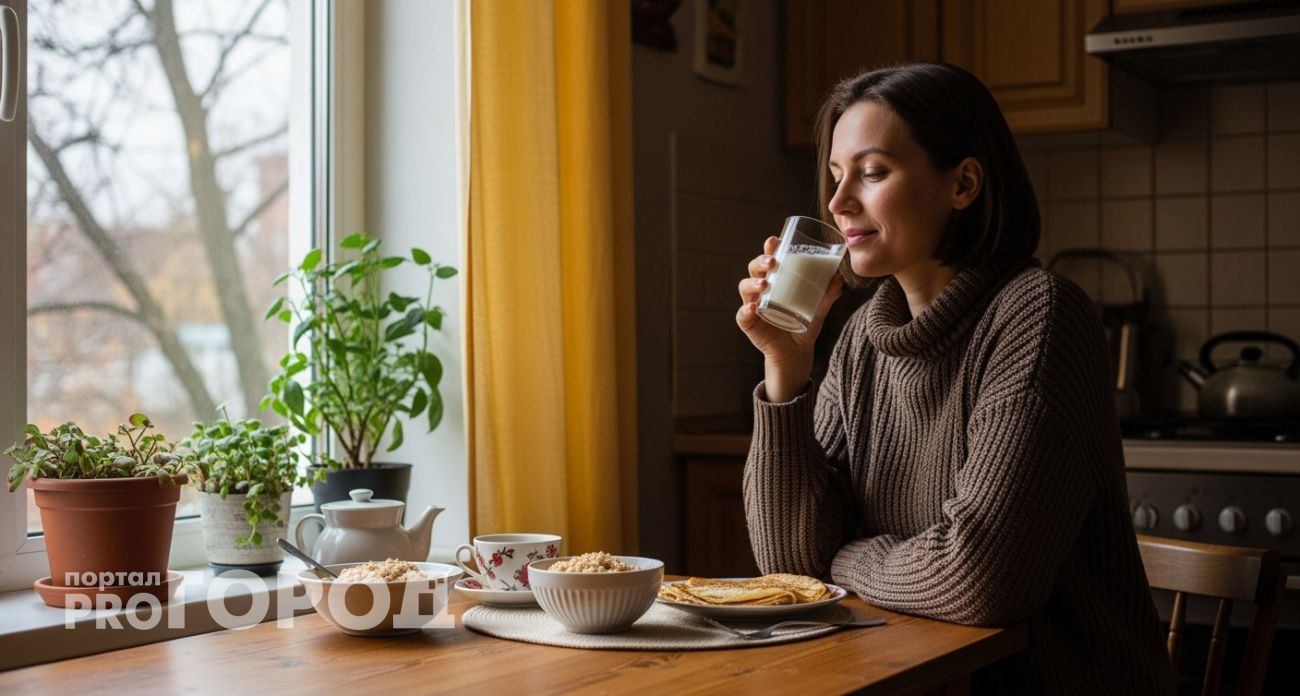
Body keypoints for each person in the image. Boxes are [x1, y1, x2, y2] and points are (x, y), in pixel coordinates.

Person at [735, 63, 1174, 694]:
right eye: (835, 177)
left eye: (873, 172)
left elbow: (982, 579)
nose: (837, 203)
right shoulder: (861, 338)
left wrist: (847, 557)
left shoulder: (1039, 316)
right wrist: (785, 367)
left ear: (963, 183)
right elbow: (790, 566)